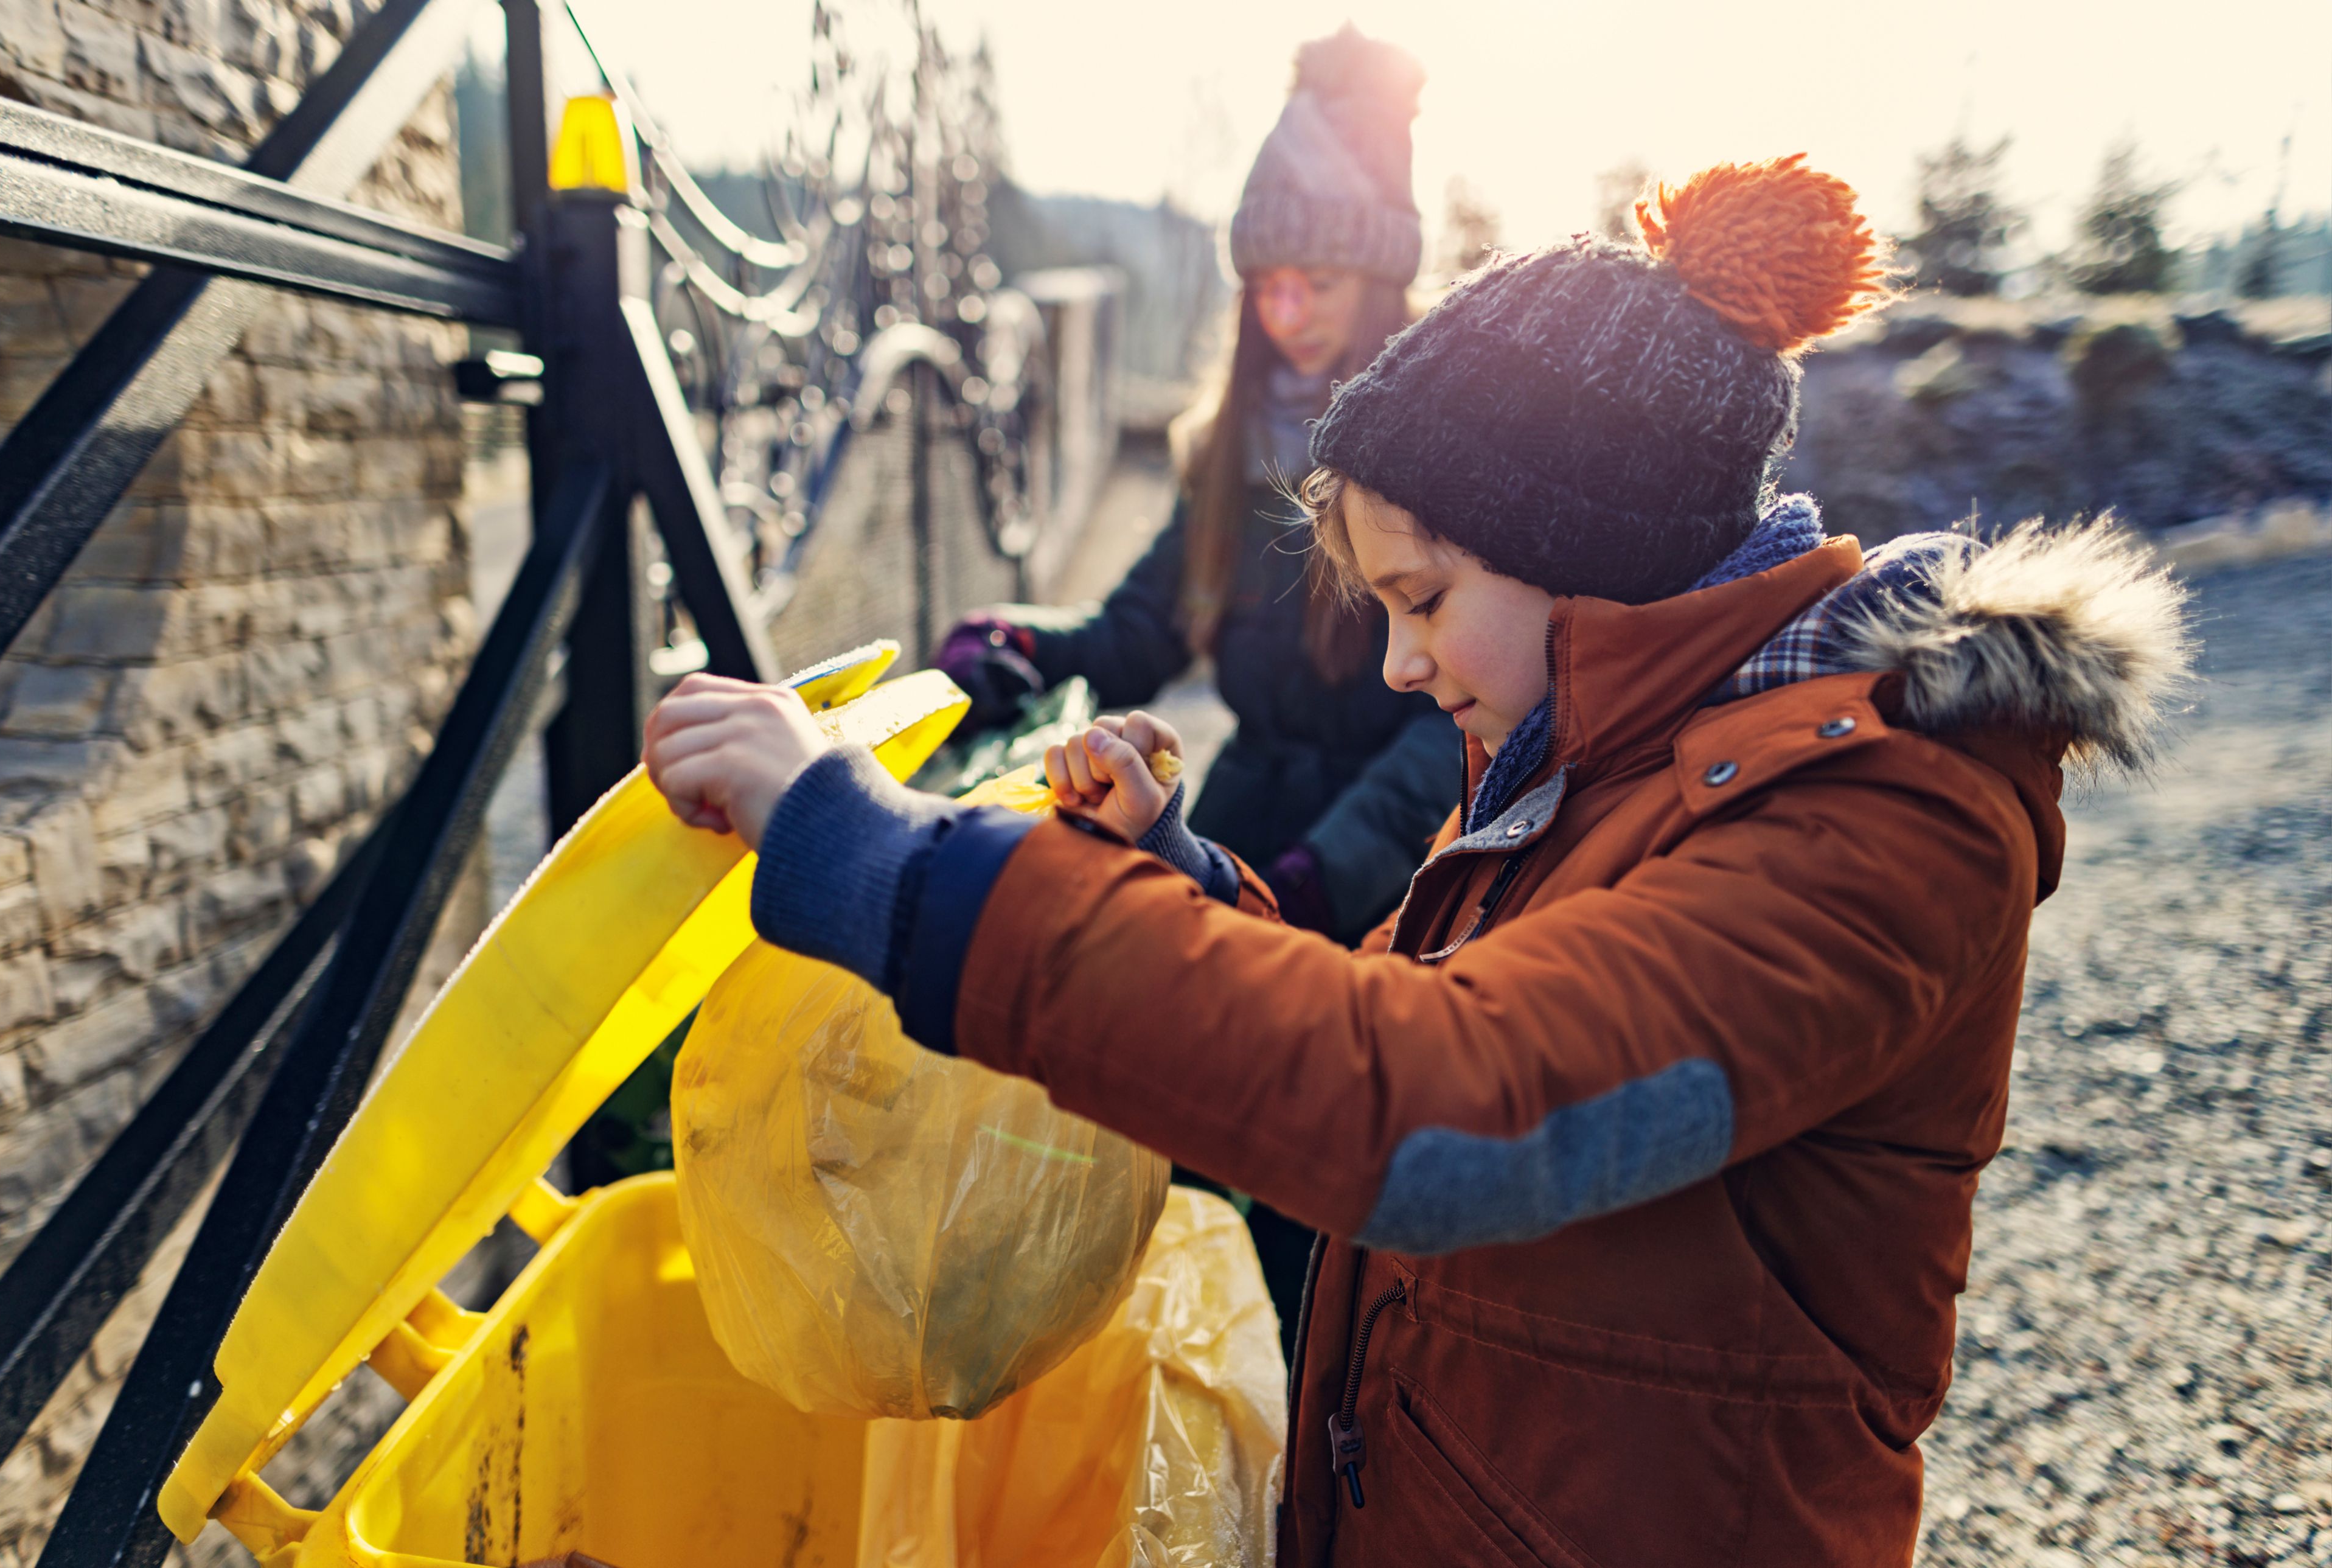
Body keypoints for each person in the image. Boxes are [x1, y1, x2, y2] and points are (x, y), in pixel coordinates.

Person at [642, 156, 2193, 1566]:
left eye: (1425, 596)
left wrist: (881, 856)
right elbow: (1396, 998)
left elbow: (1454, 1106)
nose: (1396, 663)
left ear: (1584, 544)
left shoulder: (1880, 824)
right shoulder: (1594, 763)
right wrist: (1183, 878)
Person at [936, 24, 1461, 947]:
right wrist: (1017, 639)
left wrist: (1317, 882)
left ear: (1381, 282)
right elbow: (1144, 629)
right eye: (1268, 285)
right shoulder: (1233, 449)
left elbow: (1456, 726)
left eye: (1321, 282)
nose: (1287, 313)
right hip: (1237, 843)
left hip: (1394, 883)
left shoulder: (1455, 451)